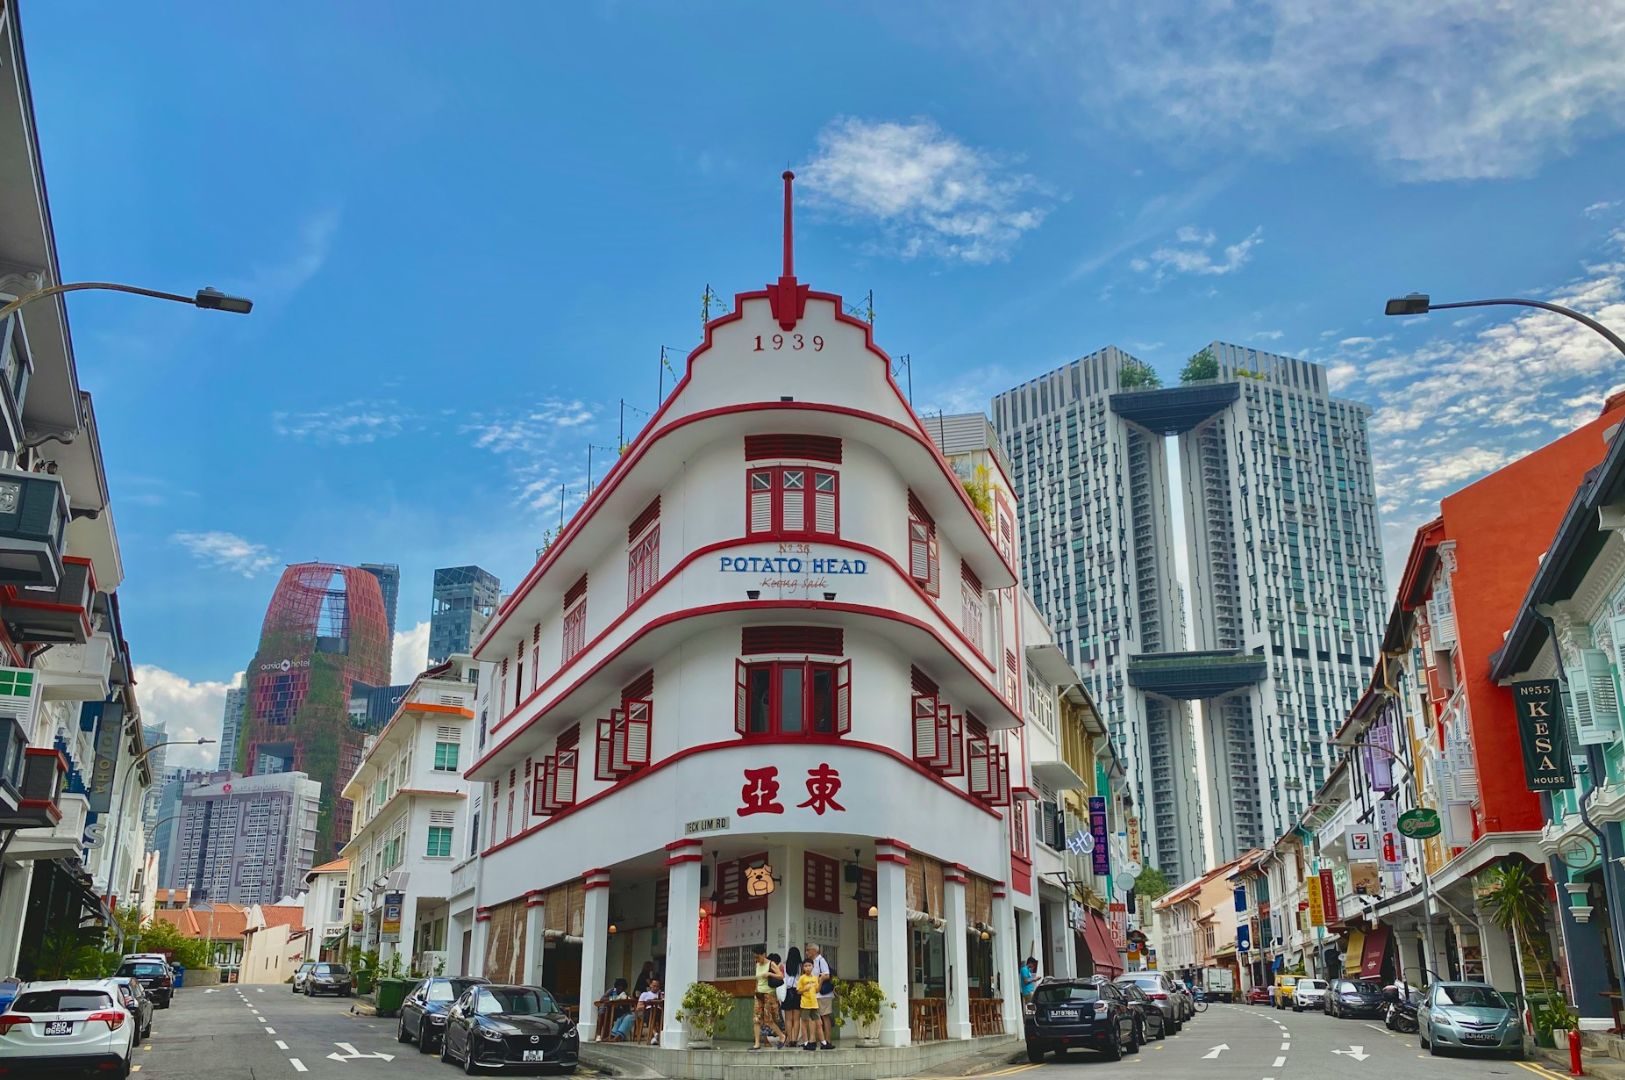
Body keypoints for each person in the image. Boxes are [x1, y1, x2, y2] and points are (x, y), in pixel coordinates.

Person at [750, 948, 786, 1050]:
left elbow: (781, 976)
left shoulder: (771, 964)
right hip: (759, 994)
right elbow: (757, 980)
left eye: (758, 957)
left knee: (768, 1019)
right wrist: (756, 990)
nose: (756, 959)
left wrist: (769, 974)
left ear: (763, 954)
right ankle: (757, 1043)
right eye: (755, 957)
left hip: (769, 994)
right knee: (756, 1019)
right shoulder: (757, 965)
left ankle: (782, 1036)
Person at [807, 943, 834, 1049]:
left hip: (823, 995)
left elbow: (826, 975)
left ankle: (827, 1040)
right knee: (814, 1017)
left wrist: (818, 982)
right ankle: (815, 1040)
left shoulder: (821, 960)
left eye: (808, 950)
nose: (807, 952)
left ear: (814, 950)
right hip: (814, 994)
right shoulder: (812, 962)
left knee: (825, 1017)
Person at [781, 946, 804, 1048]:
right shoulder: (801, 966)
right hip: (798, 993)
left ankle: (789, 1040)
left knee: (788, 1019)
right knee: (796, 1019)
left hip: (787, 992)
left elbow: (781, 979)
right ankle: (795, 1040)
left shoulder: (784, 966)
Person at [795, 962, 820, 1050]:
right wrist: (804, 989)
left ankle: (812, 1040)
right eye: (806, 966)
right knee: (804, 1022)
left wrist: (820, 981)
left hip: (814, 1003)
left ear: (813, 966)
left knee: (814, 1022)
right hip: (805, 1004)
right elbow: (798, 991)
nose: (808, 968)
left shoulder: (815, 978)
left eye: (809, 966)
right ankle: (805, 1042)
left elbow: (817, 990)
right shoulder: (802, 978)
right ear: (803, 967)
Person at [635, 979, 663, 1045]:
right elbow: (638, 1007)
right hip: (647, 1011)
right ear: (650, 985)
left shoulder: (660, 995)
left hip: (658, 1012)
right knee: (650, 1013)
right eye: (654, 986)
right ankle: (655, 1034)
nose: (655, 988)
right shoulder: (645, 994)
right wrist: (649, 1003)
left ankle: (655, 1036)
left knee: (657, 1014)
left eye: (657, 986)